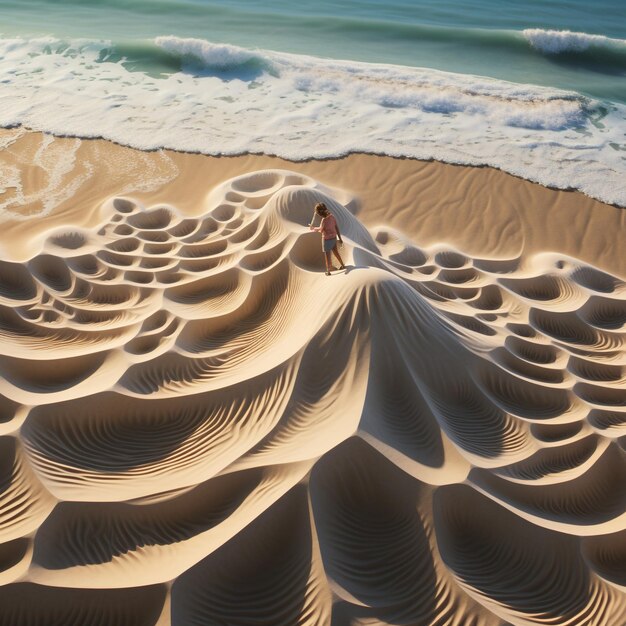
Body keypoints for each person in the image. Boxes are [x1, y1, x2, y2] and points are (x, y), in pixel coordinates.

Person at [309, 202, 345, 275]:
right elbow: (336, 227)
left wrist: (313, 228)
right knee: (336, 252)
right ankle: (343, 265)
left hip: (326, 240)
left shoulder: (324, 220)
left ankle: (328, 271)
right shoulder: (332, 217)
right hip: (334, 238)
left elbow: (321, 230)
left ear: (320, 213)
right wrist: (340, 238)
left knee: (327, 256)